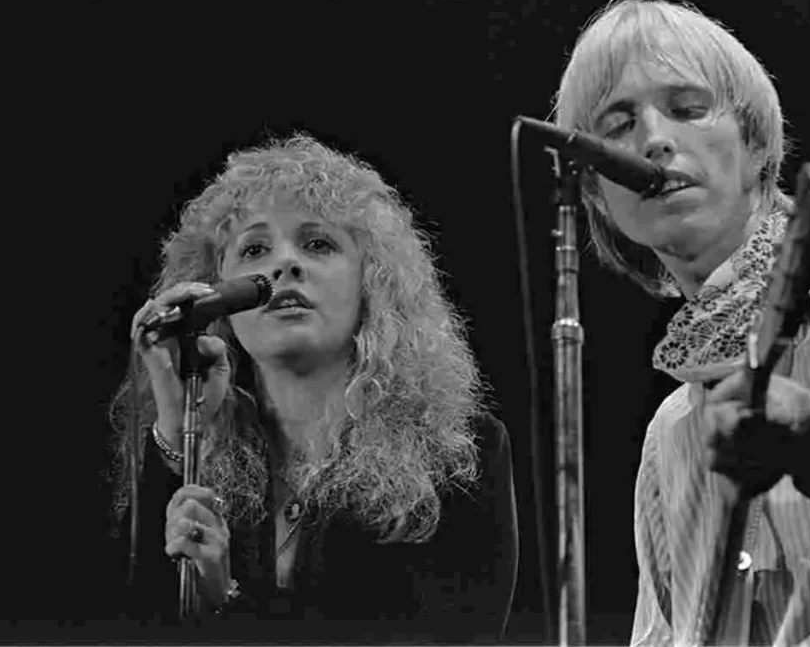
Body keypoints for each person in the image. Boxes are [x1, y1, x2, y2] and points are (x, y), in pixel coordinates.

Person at [554, 0, 810, 645]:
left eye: (688, 108)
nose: (654, 138)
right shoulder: (670, 435)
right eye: (618, 122)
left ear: (754, 145)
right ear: (599, 195)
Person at [106, 134, 519, 643]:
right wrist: (174, 422)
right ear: (215, 294)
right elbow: (125, 625)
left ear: (373, 283)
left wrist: (229, 599)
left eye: (317, 244)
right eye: (255, 248)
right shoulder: (195, 455)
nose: (285, 265)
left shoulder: (459, 456)